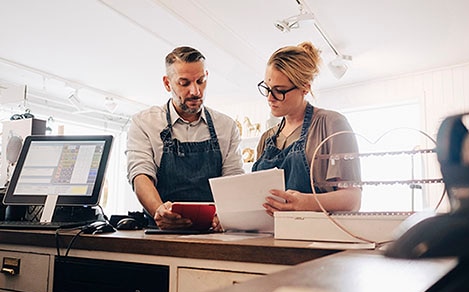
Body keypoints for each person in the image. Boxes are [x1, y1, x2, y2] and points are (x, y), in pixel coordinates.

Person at [126, 46, 244, 230]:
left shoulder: (227, 126)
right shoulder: (143, 122)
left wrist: (227, 214)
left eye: (201, 81)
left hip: (214, 233)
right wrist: (159, 211)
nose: (196, 91)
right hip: (160, 232)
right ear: (167, 83)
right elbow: (140, 174)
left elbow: (233, 178)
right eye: (185, 83)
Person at [252, 41, 362, 216]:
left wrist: (305, 202)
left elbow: (352, 199)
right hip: (270, 238)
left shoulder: (332, 124)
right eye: (267, 88)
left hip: (316, 238)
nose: (270, 98)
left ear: (305, 88)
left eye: (279, 90)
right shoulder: (267, 138)